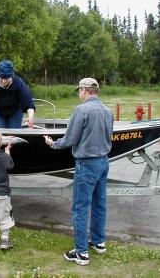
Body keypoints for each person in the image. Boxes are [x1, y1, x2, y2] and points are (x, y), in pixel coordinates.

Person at [43, 78, 114, 266]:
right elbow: (110, 136)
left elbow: (70, 139)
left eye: (79, 90)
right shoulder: (108, 111)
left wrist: (52, 143)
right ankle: (99, 242)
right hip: (104, 162)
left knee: (80, 207)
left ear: (85, 90)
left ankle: (81, 253)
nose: (78, 93)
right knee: (99, 204)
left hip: (87, 164)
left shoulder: (81, 110)